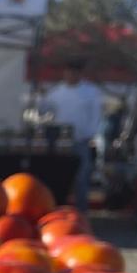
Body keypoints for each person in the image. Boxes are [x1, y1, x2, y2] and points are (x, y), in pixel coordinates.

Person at [43, 59, 104, 212]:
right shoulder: (56, 92)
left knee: (81, 178)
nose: (71, 75)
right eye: (69, 72)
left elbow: (96, 116)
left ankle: (82, 212)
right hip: (60, 141)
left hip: (81, 140)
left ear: (80, 74)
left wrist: (91, 134)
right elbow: (45, 110)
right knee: (58, 175)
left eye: (75, 72)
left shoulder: (91, 91)